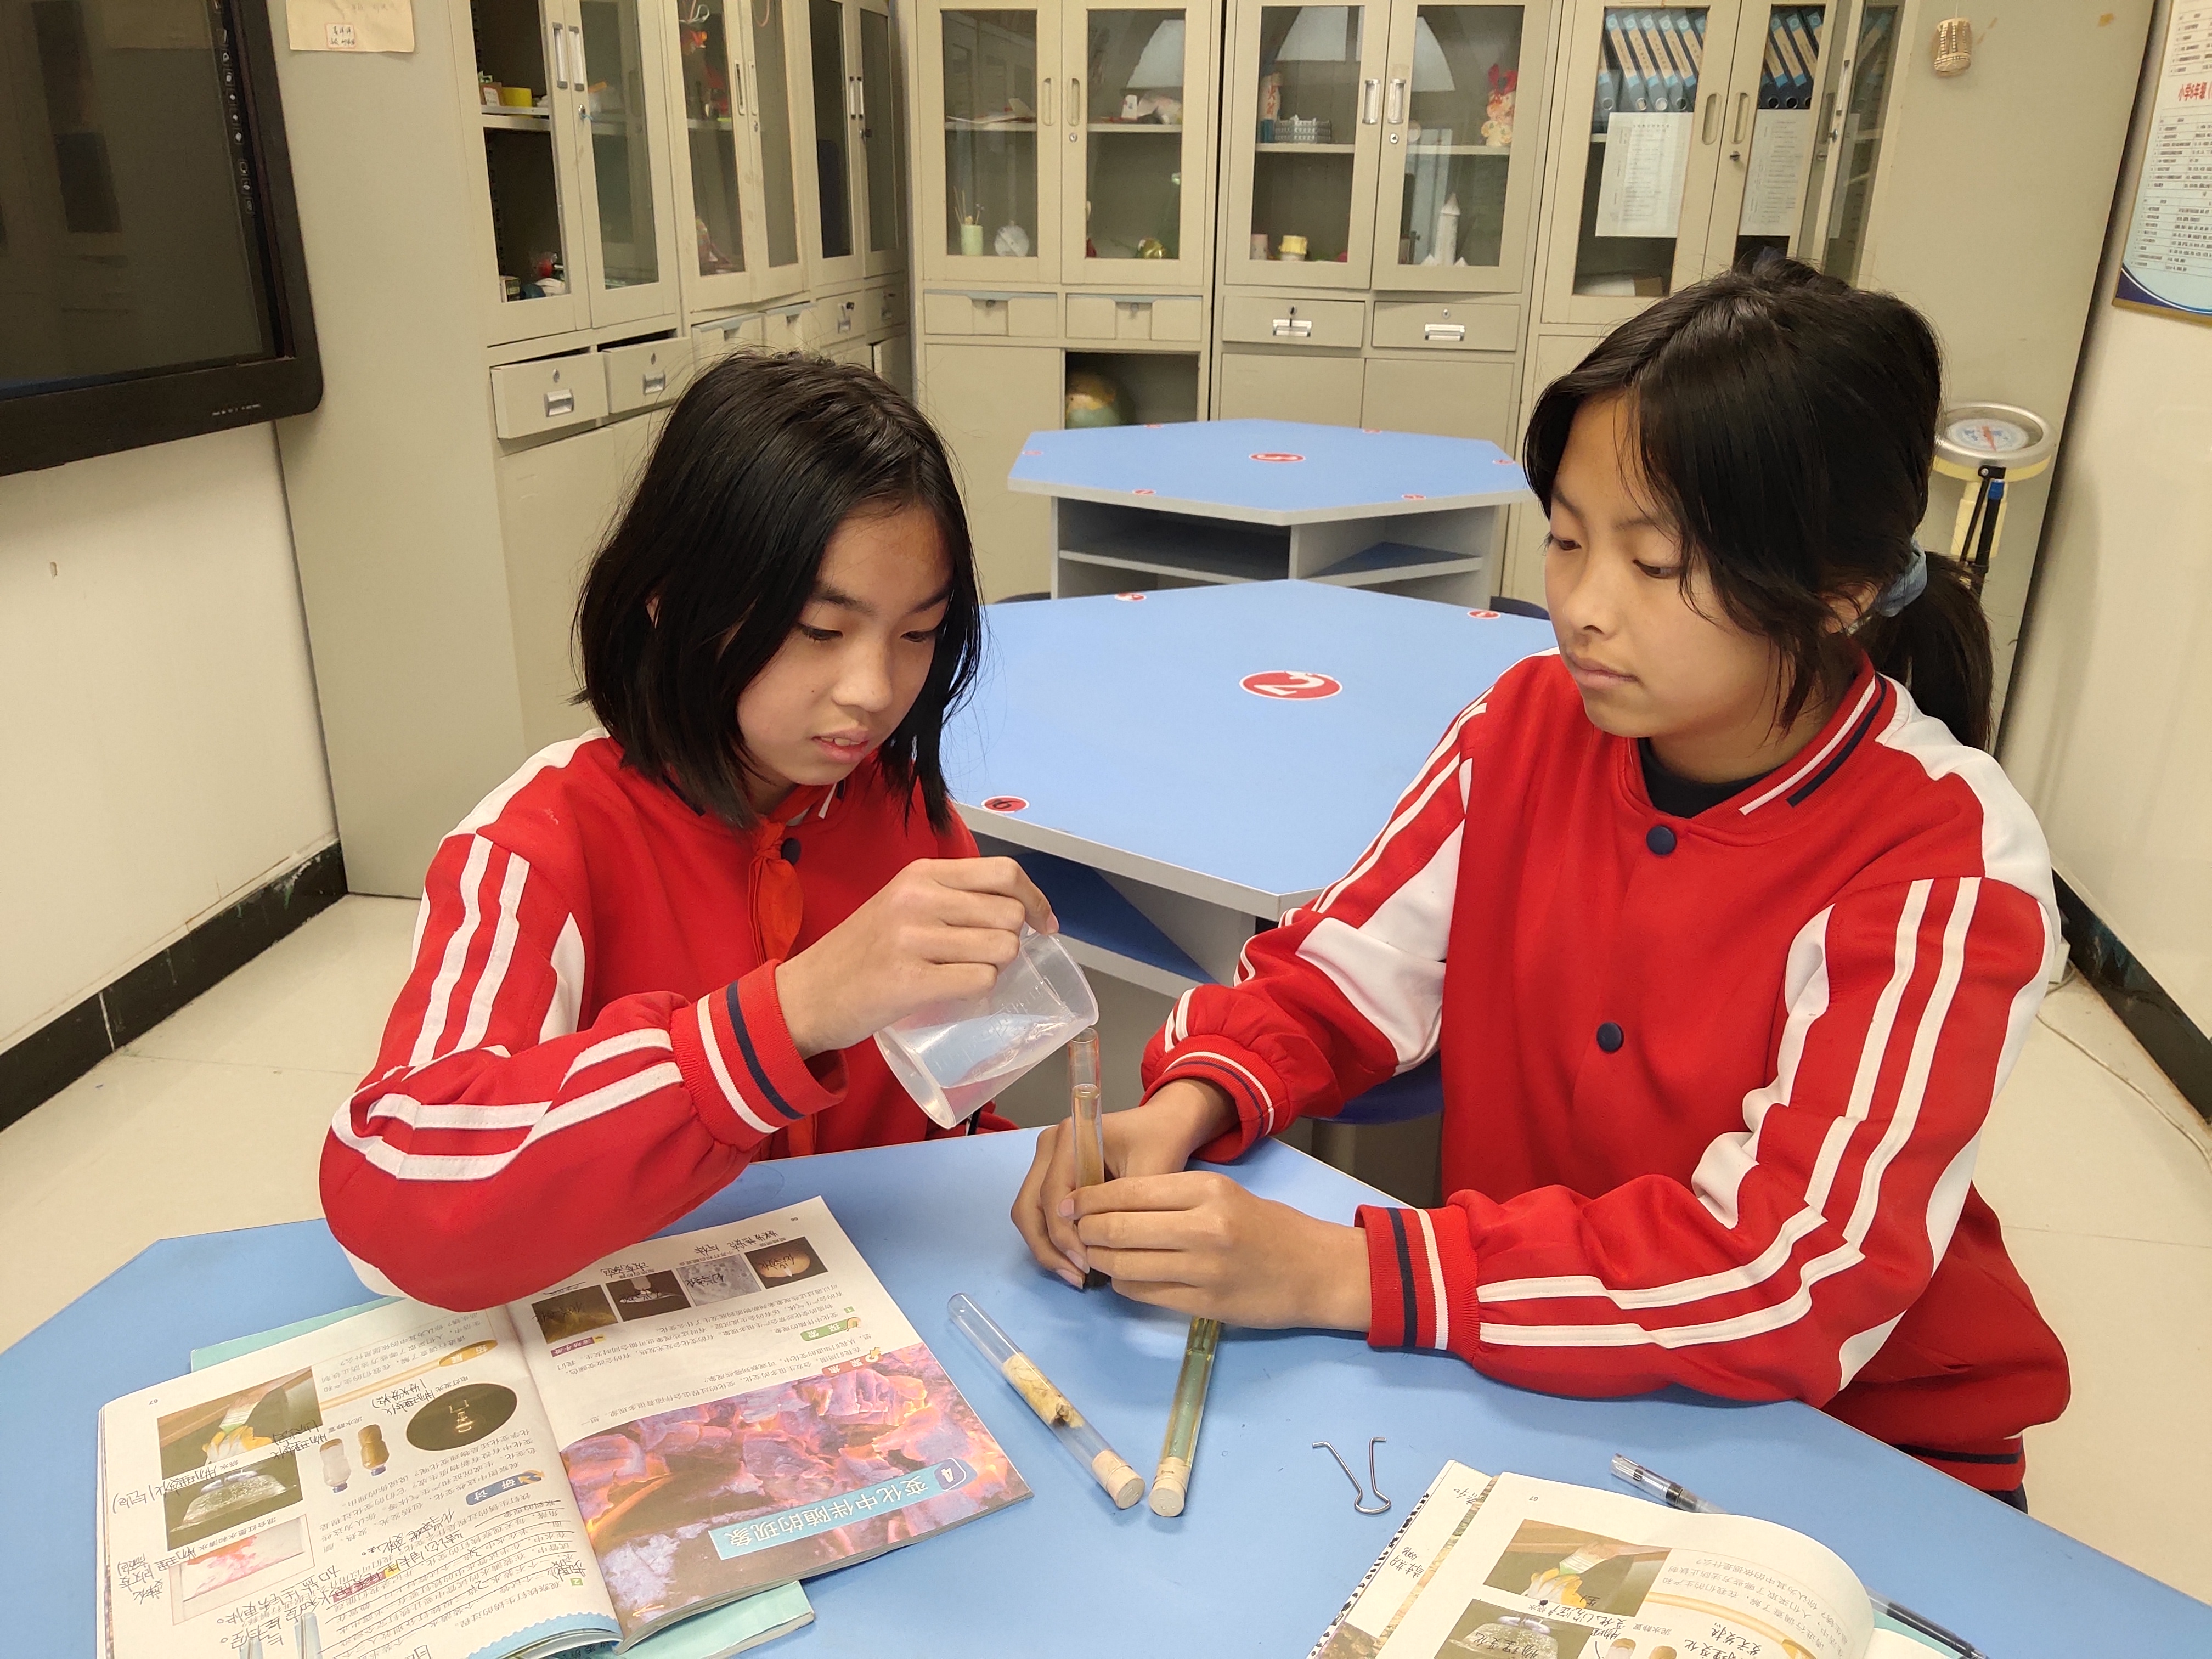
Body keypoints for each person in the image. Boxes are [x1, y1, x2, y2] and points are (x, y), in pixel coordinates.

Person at [1012, 257, 2068, 1499]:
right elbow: (1342, 972)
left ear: (1840, 588)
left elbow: (1789, 1275)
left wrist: (1346, 1270)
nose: (1582, 607)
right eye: (1566, 540)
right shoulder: (1525, 724)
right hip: (1534, 1371)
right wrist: (1184, 1106)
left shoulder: (1947, 855)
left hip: (1851, 1438)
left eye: (1656, 563)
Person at [325, 353, 1053, 1310]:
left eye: (918, 633)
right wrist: (787, 1017)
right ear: (671, 599)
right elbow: (395, 1201)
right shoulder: (538, 844)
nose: (874, 691)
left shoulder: (909, 816)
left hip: (876, 1326)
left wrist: (1038, 1164)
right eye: (819, 630)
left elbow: (945, 1115)